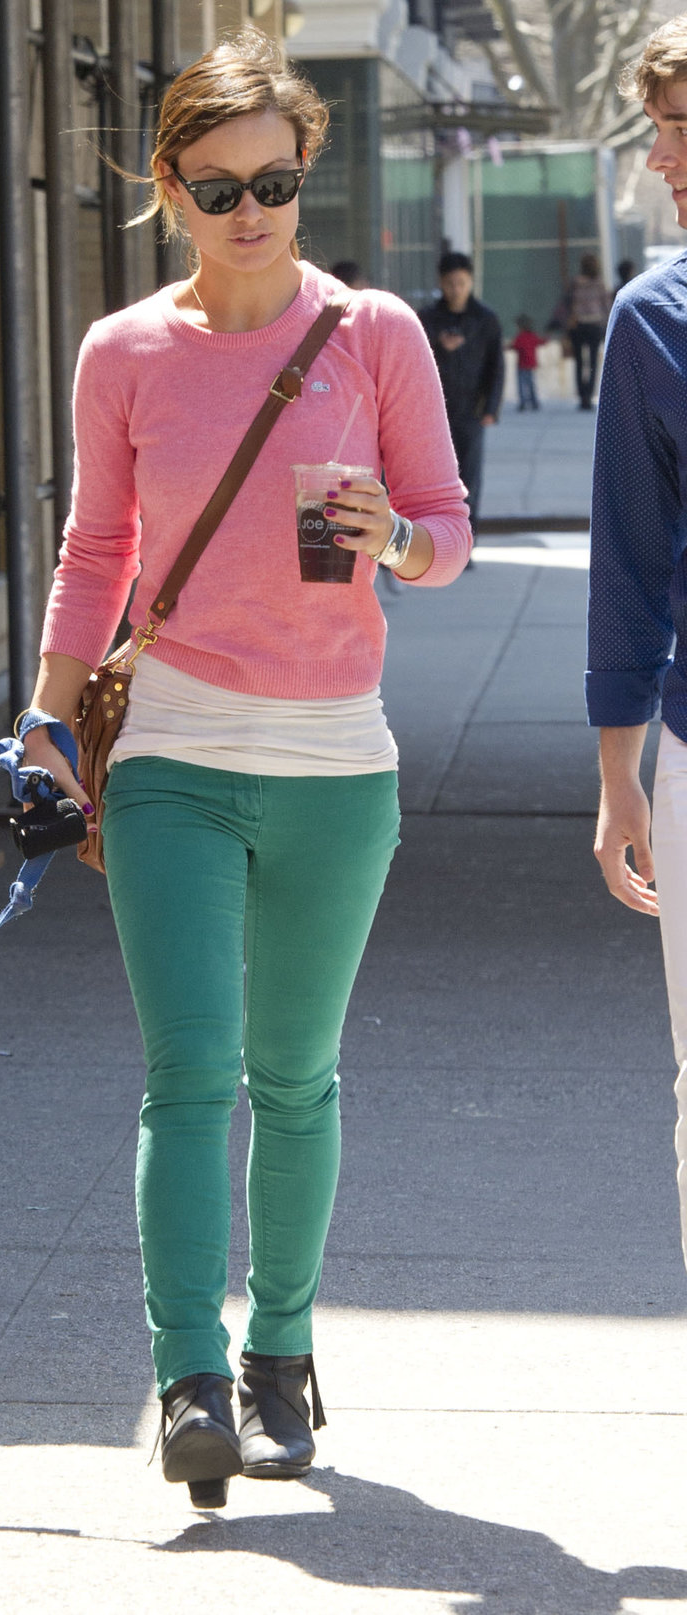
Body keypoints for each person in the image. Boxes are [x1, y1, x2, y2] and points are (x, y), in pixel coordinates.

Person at [16, 31, 472, 1509]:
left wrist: (389, 539)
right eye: (219, 189)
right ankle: (187, 1378)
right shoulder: (124, 352)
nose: (254, 210)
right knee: (189, 1071)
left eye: (277, 180)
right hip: (174, 759)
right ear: (170, 190)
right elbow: (97, 552)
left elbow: (447, 530)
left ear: (305, 174)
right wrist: (43, 722)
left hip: (339, 760)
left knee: (295, 1076)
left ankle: (282, 1357)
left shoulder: (378, 334)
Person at [588, 13, 687, 1273]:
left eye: (682, 130)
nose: (665, 158)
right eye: (660, 129)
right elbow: (631, 563)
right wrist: (622, 770)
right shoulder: (651, 320)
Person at [420, 251, 502, 538]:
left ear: (471, 282)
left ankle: (466, 540)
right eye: (451, 283)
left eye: (462, 283)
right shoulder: (427, 318)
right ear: (441, 283)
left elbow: (496, 367)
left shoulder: (485, 319)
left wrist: (491, 407)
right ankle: (436, 538)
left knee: (469, 479)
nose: (457, 289)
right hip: (434, 412)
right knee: (434, 478)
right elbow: (415, 363)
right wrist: (442, 348)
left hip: (472, 411)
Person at [565, 252, 613, 409]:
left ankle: (582, 397)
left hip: (578, 325)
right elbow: (606, 306)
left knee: (579, 362)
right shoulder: (599, 283)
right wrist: (608, 324)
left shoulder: (575, 283)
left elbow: (568, 304)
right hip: (595, 325)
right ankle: (589, 396)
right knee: (592, 362)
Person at [509, 313, 544, 411]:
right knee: (531, 384)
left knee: (521, 385)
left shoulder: (520, 337)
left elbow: (514, 346)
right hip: (531, 364)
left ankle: (523, 402)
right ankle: (534, 402)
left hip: (522, 365)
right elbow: (541, 341)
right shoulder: (532, 336)